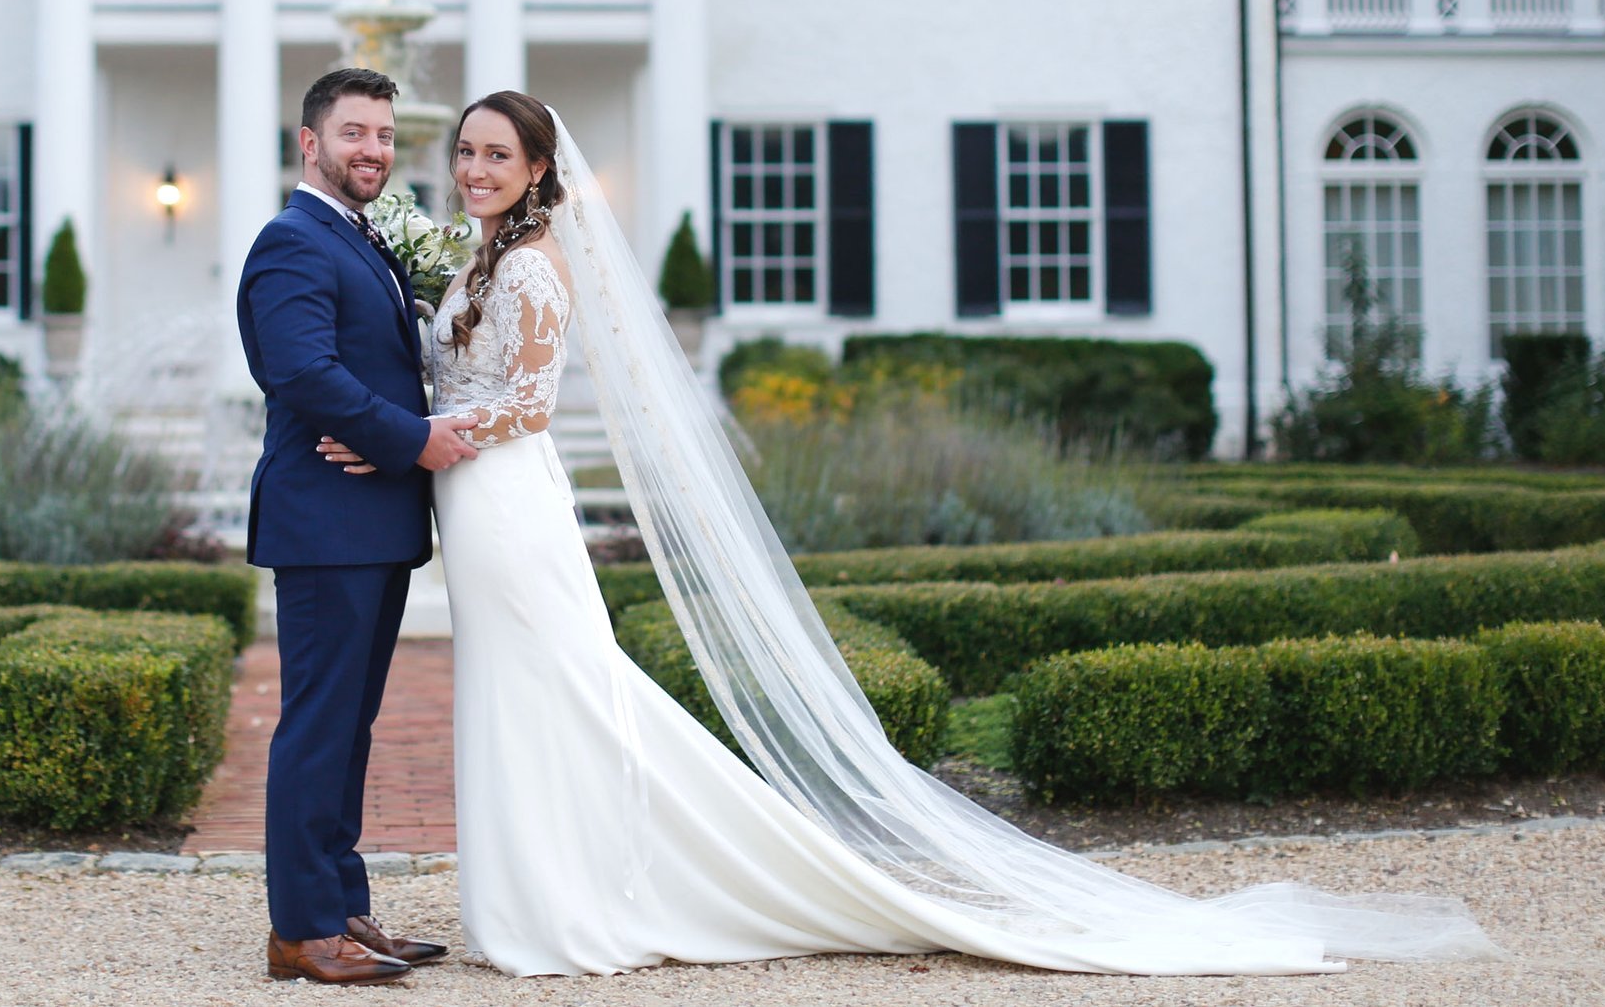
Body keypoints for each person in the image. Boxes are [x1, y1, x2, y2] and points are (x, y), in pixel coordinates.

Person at [315, 89, 1498, 979]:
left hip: (506, 500)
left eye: (494, 155)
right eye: (463, 151)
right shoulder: (479, 258)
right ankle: (532, 898)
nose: (473, 168)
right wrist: (402, 424)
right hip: (474, 501)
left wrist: (407, 434)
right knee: (529, 694)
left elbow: (525, 404)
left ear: (536, 172)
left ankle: (568, 907)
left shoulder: (533, 268)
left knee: (561, 688)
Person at [235, 67, 480, 985]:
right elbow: (299, 372)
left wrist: (390, 445)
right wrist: (410, 439)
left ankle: (340, 906)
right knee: (317, 727)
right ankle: (300, 930)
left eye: (382, 134)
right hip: (323, 522)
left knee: (349, 728)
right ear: (310, 143)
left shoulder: (361, 237)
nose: (373, 149)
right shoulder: (292, 240)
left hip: (365, 520)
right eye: (354, 133)